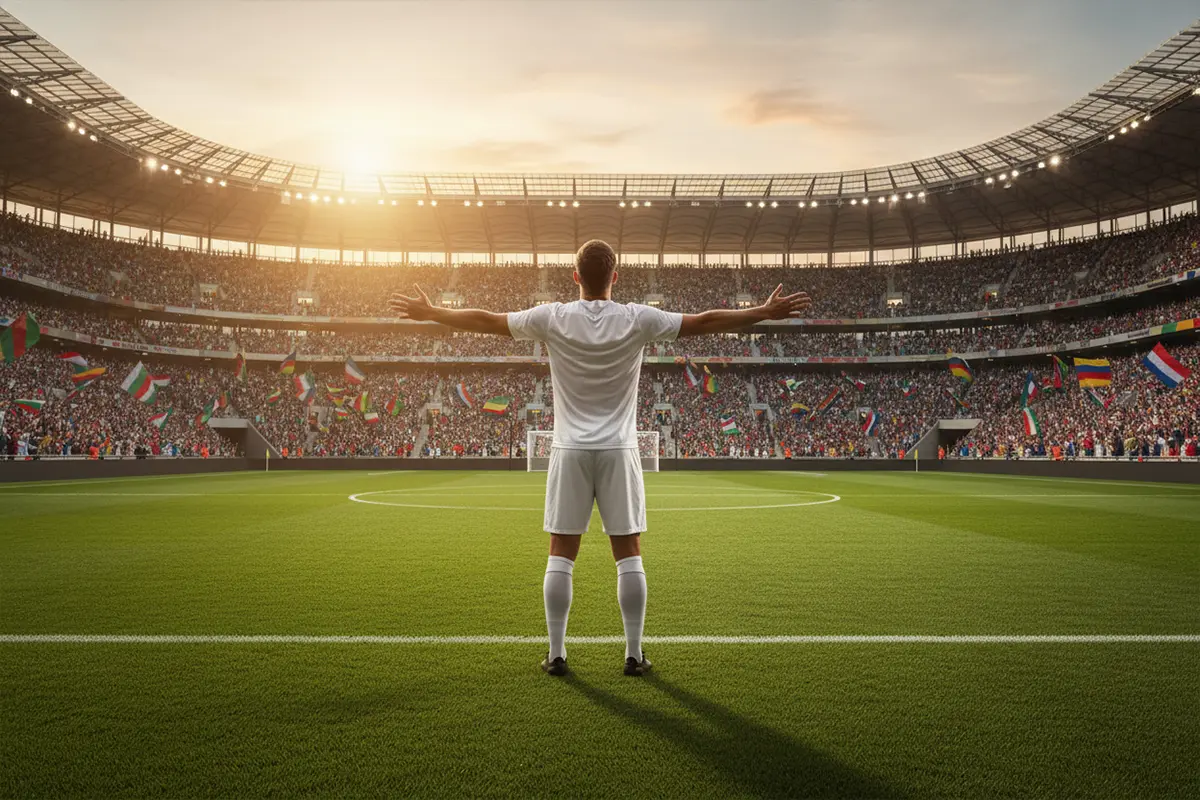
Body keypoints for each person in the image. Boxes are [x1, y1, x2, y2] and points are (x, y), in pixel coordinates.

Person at [390, 239, 811, 677]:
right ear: (615, 276)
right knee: (628, 553)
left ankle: (557, 654)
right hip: (619, 449)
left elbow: (488, 320)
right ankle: (633, 654)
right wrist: (763, 312)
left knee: (561, 553)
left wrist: (434, 312)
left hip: (569, 449)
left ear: (575, 276)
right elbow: (705, 321)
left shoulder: (552, 316)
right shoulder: (638, 318)